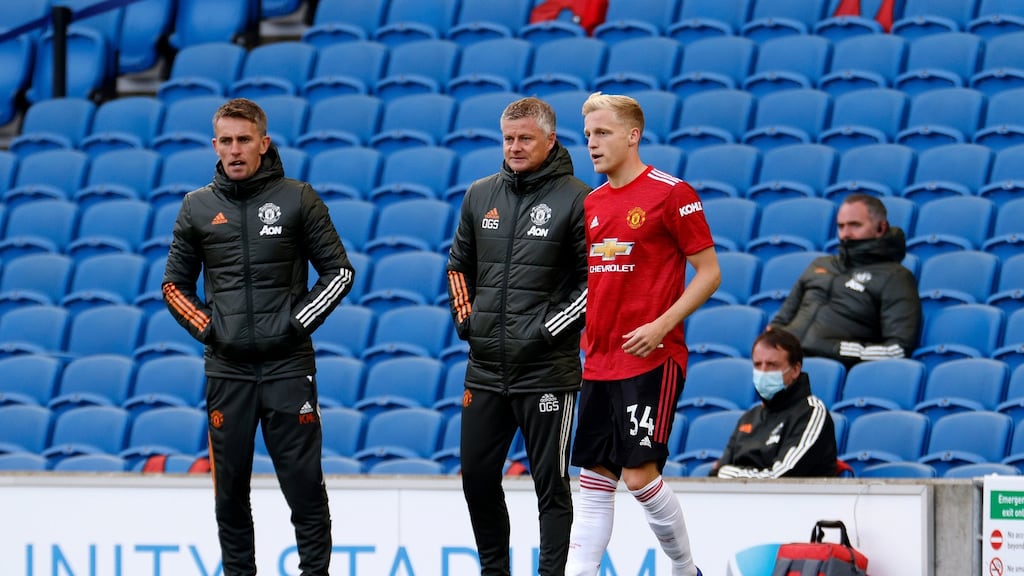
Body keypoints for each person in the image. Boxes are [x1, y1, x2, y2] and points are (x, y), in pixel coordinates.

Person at [163, 98, 354, 576]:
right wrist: (211, 329)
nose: (235, 150)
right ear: (215, 146)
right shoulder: (197, 207)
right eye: (225, 141)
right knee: (229, 494)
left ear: (263, 143)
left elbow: (339, 274)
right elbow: (173, 286)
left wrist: (292, 325)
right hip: (227, 372)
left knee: (305, 488)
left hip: (289, 369)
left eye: (244, 139)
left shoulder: (298, 198)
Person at [567, 92, 720, 576]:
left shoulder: (671, 193)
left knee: (638, 476)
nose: (592, 143)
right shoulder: (589, 203)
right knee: (593, 477)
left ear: (633, 135)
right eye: (589, 133)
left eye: (603, 132)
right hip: (599, 359)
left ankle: (685, 568)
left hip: (652, 358)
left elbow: (710, 272)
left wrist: (661, 325)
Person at [446, 96, 590, 576]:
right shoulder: (479, 194)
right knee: (477, 479)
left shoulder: (579, 199)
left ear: (550, 139)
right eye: (508, 138)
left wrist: (543, 331)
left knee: (551, 484)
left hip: (547, 370)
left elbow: (594, 285)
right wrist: (470, 323)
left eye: (525, 138)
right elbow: (457, 268)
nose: (514, 147)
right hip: (486, 369)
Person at [769, 193, 922, 368]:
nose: (845, 234)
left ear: (881, 228)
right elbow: (780, 321)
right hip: (785, 365)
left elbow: (898, 349)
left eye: (855, 225)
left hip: (831, 370)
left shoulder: (896, 277)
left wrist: (834, 348)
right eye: (841, 226)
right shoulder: (819, 265)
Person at [710, 329, 838, 478]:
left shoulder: (811, 412)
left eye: (772, 365)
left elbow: (782, 476)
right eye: (758, 365)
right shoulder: (749, 417)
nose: (763, 371)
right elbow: (716, 474)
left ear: (795, 370)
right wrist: (725, 472)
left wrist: (730, 473)